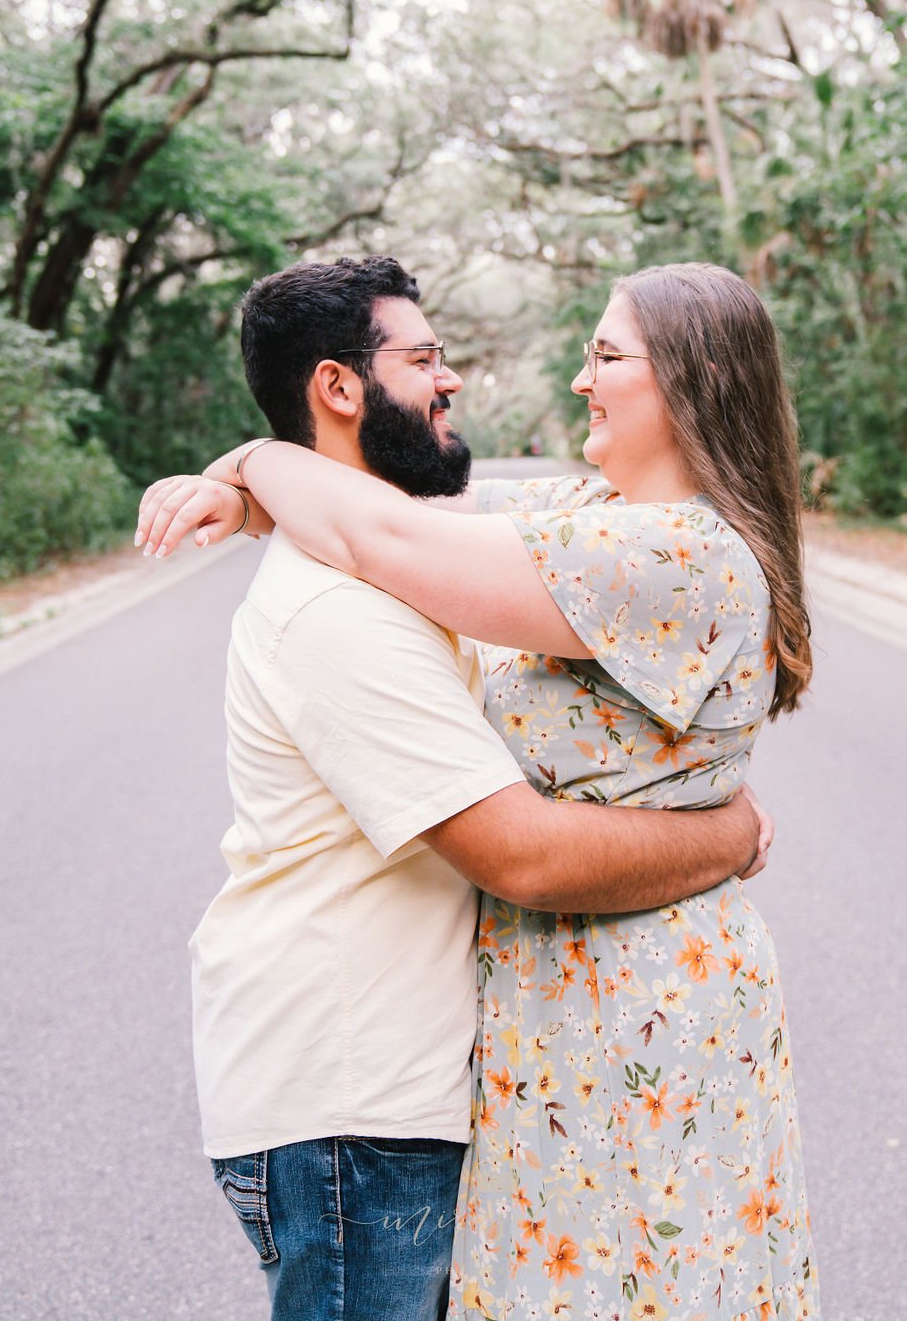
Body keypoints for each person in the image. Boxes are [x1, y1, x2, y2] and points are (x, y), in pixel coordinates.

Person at [137, 256, 772, 1321]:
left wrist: (248, 472)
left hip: (405, 1095)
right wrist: (729, 831)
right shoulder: (343, 606)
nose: (454, 380)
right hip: (353, 1107)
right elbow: (519, 853)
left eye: (605, 354)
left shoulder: (530, 547)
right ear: (339, 388)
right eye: (424, 357)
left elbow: (392, 526)